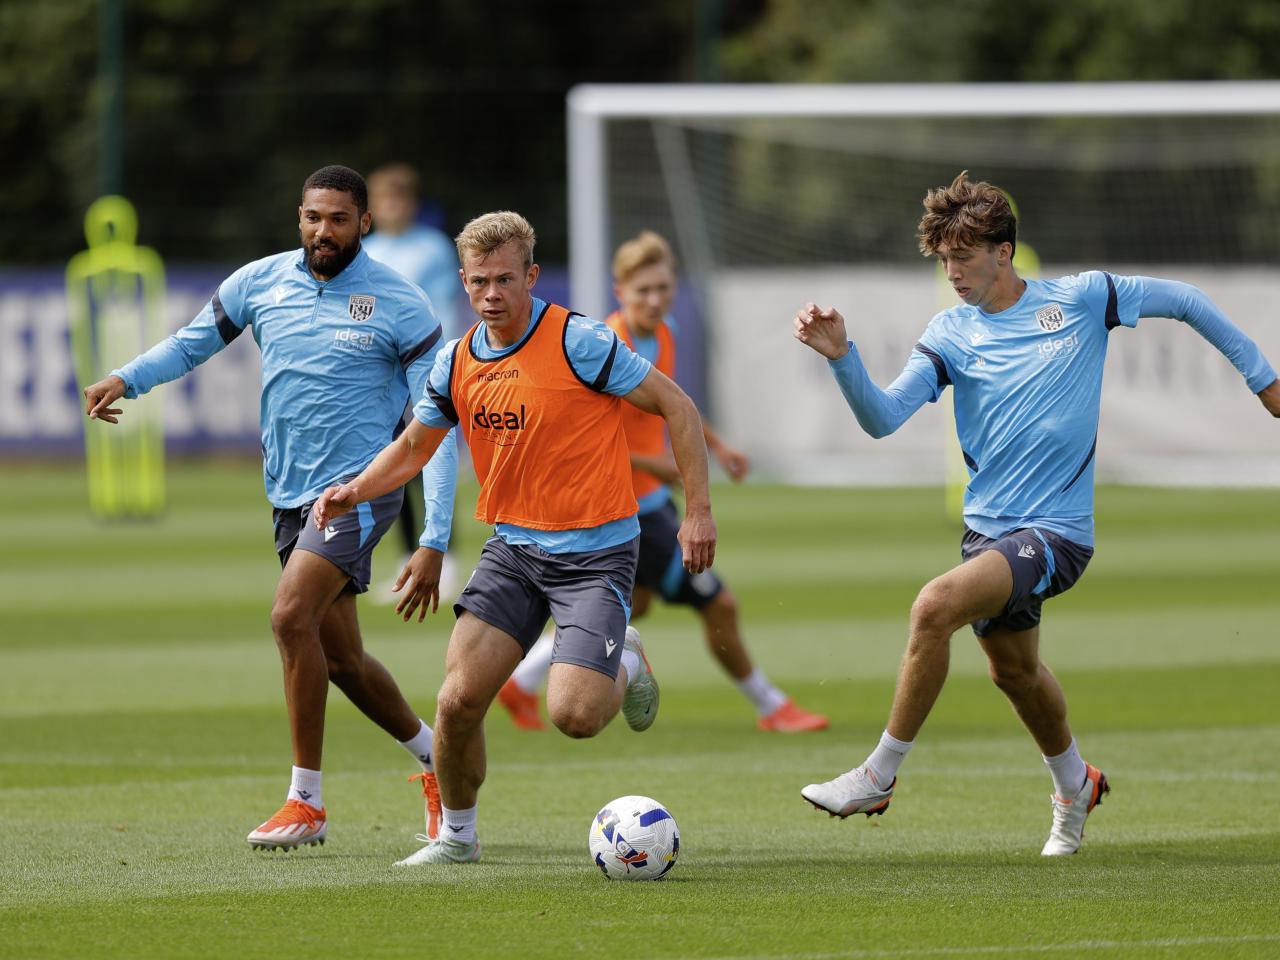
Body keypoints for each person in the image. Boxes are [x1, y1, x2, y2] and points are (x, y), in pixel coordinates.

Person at [793, 171, 1280, 856]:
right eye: (943, 257)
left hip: (1056, 535)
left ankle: (878, 775)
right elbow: (883, 419)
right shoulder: (950, 332)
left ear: (1004, 251)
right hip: (988, 535)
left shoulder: (1083, 299)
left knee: (934, 607)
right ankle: (1075, 784)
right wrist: (842, 357)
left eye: (964, 255)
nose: (953, 271)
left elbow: (1190, 301)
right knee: (1014, 675)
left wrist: (1264, 380)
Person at [313, 211, 717, 866]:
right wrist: (355, 489)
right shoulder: (457, 359)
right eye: (478, 282)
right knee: (457, 699)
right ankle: (458, 839)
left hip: (596, 554)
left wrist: (697, 511)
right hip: (514, 551)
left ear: (531, 275)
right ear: (465, 285)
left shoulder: (577, 342)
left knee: (576, 718)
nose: (491, 294)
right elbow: (416, 445)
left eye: (505, 279)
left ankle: (628, 658)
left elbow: (678, 405)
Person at [83, 165, 458, 852]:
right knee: (342, 659)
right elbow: (192, 343)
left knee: (290, 618)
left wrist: (433, 537)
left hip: (358, 494)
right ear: (299, 217)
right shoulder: (261, 282)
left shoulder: (400, 304)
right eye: (314, 217)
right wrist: (125, 378)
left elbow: (435, 427)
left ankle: (305, 802)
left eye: (339, 219)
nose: (324, 230)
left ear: (364, 224)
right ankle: (441, 759)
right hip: (288, 494)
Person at [496, 231, 827, 733]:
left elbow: (671, 400)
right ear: (619, 290)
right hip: (631, 511)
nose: (654, 300)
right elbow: (583, 441)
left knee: (638, 606)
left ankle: (520, 683)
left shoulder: (664, 333)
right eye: (642, 290)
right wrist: (662, 468)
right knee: (719, 603)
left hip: (648, 503)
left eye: (663, 288)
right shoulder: (603, 344)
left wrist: (716, 446)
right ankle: (771, 706)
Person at [363, 163, 463, 604]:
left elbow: (444, 305)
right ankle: (408, 555)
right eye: (384, 200)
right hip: (384, 372)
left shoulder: (433, 248)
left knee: (435, 455)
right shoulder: (367, 249)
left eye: (398, 199)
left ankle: (448, 553)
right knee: (397, 463)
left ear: (411, 204)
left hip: (426, 366)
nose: (392, 208)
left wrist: (447, 360)